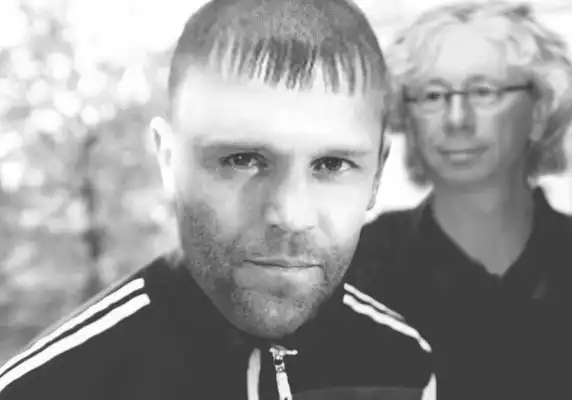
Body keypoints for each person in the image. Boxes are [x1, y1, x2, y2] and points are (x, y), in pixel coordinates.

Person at [0, 0, 436, 399]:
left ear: (376, 176)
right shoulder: (47, 388)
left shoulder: (404, 365)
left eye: (332, 165)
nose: (291, 214)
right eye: (243, 160)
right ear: (169, 161)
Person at [348, 2, 572, 399]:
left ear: (539, 111)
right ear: (405, 117)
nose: (456, 119)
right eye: (432, 95)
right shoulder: (356, 271)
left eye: (483, 92)